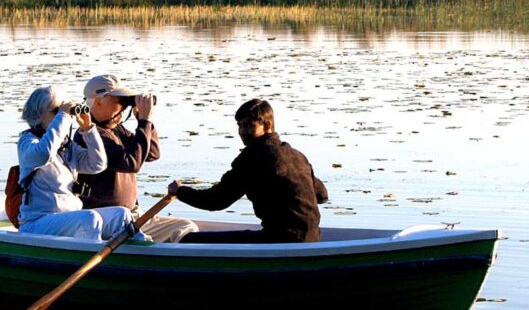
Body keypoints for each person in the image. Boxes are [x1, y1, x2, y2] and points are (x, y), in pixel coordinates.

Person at [169, 98, 328, 243]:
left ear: (267, 126)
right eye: (240, 125)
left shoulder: (253, 158)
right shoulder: (296, 155)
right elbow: (322, 195)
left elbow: (216, 201)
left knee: (190, 241)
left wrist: (180, 192)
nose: (242, 131)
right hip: (313, 238)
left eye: (249, 125)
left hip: (279, 240)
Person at [75, 74, 196, 243]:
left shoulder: (116, 129)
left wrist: (145, 121)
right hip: (108, 221)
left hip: (134, 215)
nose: (124, 108)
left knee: (185, 227)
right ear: (98, 101)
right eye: (119, 101)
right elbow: (132, 163)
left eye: (126, 102)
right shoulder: (89, 136)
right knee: (150, 240)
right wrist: (144, 122)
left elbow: (152, 153)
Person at [18, 84, 143, 241]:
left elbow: (97, 164)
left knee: (121, 214)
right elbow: (43, 155)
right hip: (37, 223)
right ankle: (91, 258)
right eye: (56, 111)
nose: (63, 116)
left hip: (68, 219)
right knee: (89, 219)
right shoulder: (27, 143)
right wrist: (63, 116)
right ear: (37, 115)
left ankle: (144, 254)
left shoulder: (66, 147)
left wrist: (88, 128)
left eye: (65, 112)